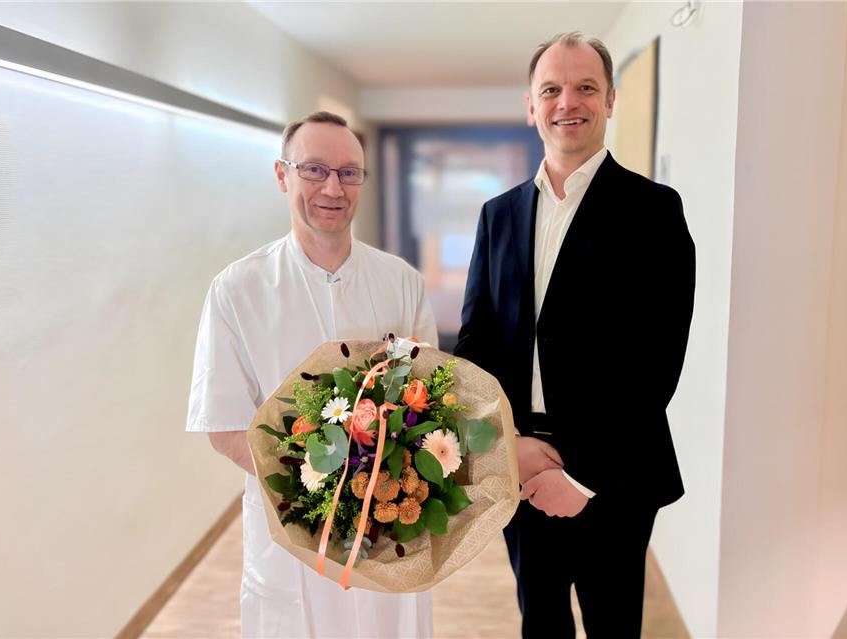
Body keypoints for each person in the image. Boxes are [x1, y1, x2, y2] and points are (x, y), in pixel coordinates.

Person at [454, 32, 695, 637]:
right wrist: (506, 446)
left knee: (613, 626)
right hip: (518, 467)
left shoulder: (654, 211)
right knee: (540, 622)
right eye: (551, 90)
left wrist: (580, 474)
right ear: (530, 106)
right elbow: (476, 346)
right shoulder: (497, 215)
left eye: (586, 87)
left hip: (615, 474)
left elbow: (656, 364)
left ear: (610, 100)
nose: (568, 102)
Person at [186, 111, 438, 638]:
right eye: (314, 169)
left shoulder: (401, 281)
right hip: (291, 534)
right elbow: (225, 427)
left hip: (388, 529)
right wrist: (325, 496)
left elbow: (430, 403)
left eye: (349, 173)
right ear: (282, 175)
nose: (333, 188)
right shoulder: (238, 290)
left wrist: (379, 492)